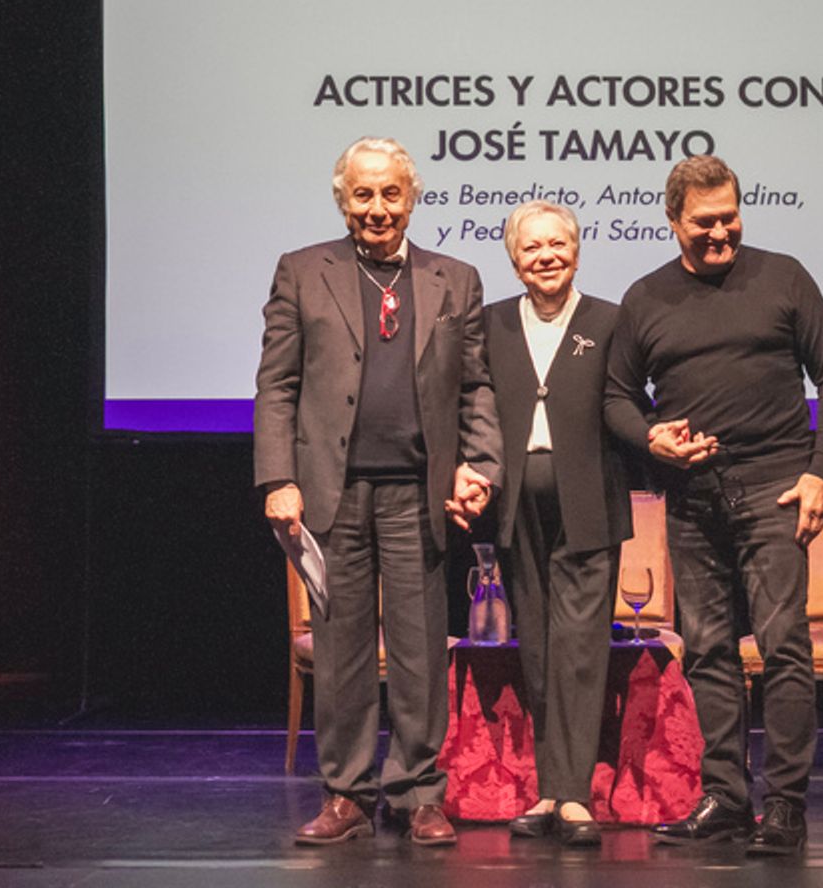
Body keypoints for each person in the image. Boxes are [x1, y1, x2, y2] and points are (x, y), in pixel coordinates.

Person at [604, 154, 823, 856]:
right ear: (673, 220)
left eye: (730, 218)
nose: (720, 234)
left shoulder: (784, 277)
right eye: (703, 223)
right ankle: (723, 797)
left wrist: (820, 475)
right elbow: (616, 397)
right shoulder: (646, 298)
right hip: (692, 497)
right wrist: (652, 438)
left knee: (782, 647)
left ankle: (786, 807)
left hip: (776, 485)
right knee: (708, 650)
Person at [254, 137, 502, 847]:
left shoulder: (456, 278)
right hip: (331, 494)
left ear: (411, 198)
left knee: (423, 652)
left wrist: (477, 465)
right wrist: (279, 478)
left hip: (417, 494)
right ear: (343, 200)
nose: (377, 208)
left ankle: (421, 792)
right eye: (362, 195)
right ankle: (348, 793)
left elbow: (477, 386)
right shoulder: (302, 272)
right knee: (342, 652)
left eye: (390, 193)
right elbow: (277, 383)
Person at [483, 201, 631, 847]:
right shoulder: (489, 324)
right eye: (531, 247)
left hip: (588, 502)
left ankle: (574, 797)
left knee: (579, 648)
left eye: (557, 244)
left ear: (577, 250)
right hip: (517, 505)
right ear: (514, 259)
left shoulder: (611, 321)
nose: (545, 256)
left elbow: (628, 406)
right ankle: (547, 789)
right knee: (538, 650)